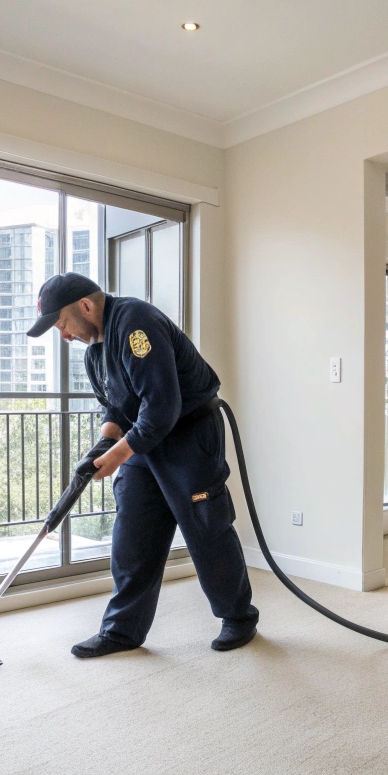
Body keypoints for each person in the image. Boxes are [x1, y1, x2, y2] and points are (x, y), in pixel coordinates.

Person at [26, 272, 259, 657]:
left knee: (206, 529)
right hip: (143, 442)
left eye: (63, 324)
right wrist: (104, 443)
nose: (64, 336)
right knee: (132, 537)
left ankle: (238, 617)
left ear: (85, 306)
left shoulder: (136, 322)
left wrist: (115, 456)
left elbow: (162, 408)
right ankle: (122, 631)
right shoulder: (94, 351)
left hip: (188, 435)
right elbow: (115, 405)